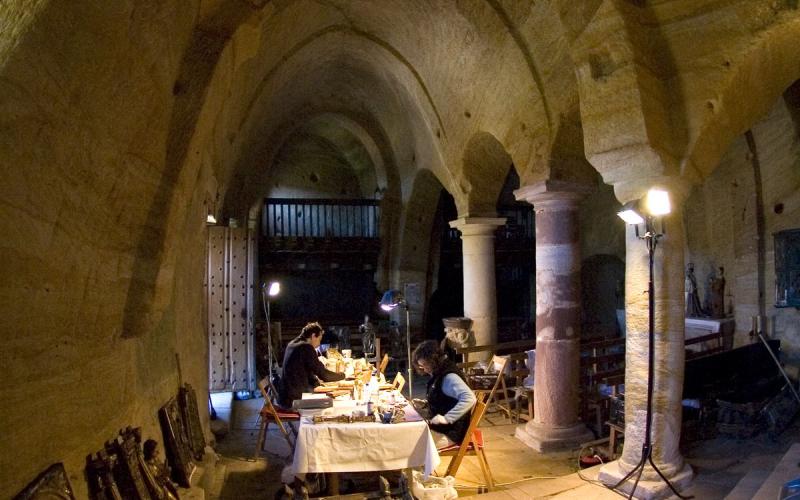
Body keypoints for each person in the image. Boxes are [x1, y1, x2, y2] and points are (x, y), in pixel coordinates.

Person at [412, 340, 476, 449]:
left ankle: (422, 465)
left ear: (433, 360)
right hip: (442, 428)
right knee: (409, 436)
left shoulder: (449, 377)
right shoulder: (440, 371)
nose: (424, 369)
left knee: (410, 446)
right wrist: (426, 404)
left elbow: (470, 398)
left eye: (425, 365)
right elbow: (445, 399)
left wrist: (447, 418)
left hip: (450, 433)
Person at [277, 322, 345, 408]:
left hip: (285, 397)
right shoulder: (306, 348)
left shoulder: (292, 344)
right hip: (294, 400)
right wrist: (343, 375)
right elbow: (324, 375)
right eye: (319, 339)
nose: (319, 343)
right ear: (313, 336)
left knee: (325, 393)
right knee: (332, 403)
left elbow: (307, 370)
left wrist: (316, 382)